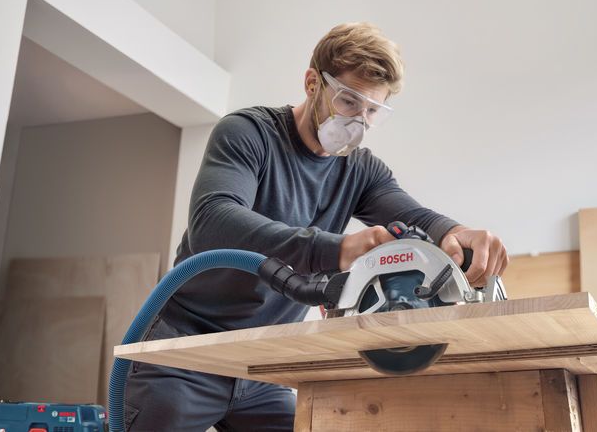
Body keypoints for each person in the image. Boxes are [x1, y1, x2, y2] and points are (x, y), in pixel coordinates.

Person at [123, 22, 509, 431]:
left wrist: (455, 231)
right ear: (312, 83)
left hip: (263, 362)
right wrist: (335, 249)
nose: (359, 121)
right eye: (348, 101)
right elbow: (213, 222)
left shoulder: (360, 170)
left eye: (373, 111)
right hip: (186, 350)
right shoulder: (248, 134)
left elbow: (415, 217)